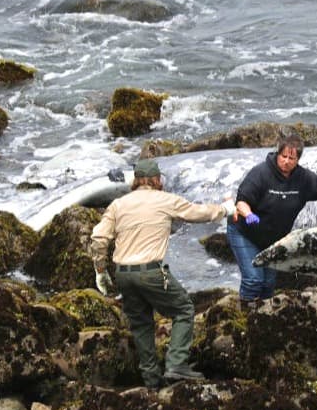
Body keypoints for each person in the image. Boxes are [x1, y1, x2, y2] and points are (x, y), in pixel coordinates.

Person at [90, 158, 235, 388]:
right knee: (183, 309)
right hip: (150, 272)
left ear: (136, 181)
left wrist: (100, 271)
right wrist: (225, 210)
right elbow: (197, 213)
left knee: (141, 325)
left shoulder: (118, 204)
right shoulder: (165, 200)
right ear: (157, 180)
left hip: (123, 275)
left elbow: (98, 238)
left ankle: (152, 382)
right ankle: (176, 364)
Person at [227, 133, 317, 306]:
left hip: (271, 240)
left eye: (292, 158)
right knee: (254, 279)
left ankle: (261, 315)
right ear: (278, 154)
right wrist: (249, 214)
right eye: (283, 156)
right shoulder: (261, 173)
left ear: (298, 159)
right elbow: (242, 201)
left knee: (268, 285)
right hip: (245, 233)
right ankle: (246, 316)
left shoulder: (303, 179)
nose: (286, 161)